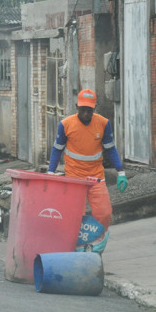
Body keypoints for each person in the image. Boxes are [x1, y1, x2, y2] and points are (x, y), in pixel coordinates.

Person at [47, 89, 127, 251]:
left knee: (104, 213)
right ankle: (75, 247)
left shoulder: (103, 124)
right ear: (77, 107)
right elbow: (57, 149)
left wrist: (121, 172)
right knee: (76, 216)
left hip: (96, 177)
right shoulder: (66, 125)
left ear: (94, 108)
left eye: (89, 109)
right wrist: (50, 173)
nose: (85, 112)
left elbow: (110, 149)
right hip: (74, 178)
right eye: (82, 108)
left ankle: (97, 245)